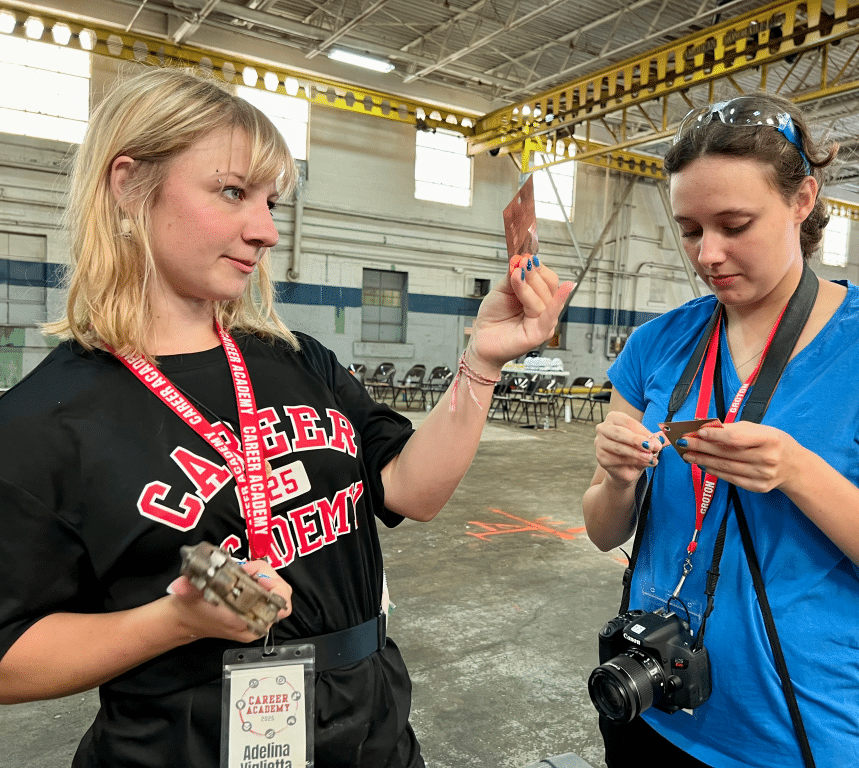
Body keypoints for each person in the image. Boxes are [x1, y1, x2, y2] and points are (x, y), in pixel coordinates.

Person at [0, 66, 573, 768]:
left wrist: (482, 364)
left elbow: (413, 491)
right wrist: (172, 621)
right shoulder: (46, 419)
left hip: (371, 728)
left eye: (270, 200)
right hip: (187, 740)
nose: (267, 230)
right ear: (128, 186)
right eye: (233, 192)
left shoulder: (297, 360)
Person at [582, 92, 859, 768]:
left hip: (796, 729)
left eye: (735, 224)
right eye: (690, 228)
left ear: (802, 202)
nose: (709, 254)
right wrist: (617, 477)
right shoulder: (658, 345)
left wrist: (799, 473)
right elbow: (602, 529)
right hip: (653, 706)